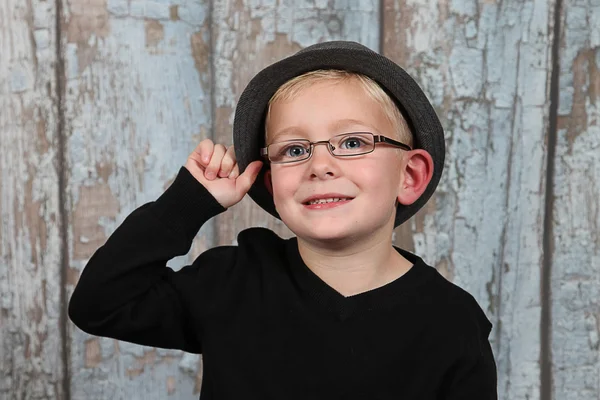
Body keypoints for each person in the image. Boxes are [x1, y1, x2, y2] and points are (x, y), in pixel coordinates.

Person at [69, 41, 497, 399]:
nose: (320, 165)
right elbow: (100, 304)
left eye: (351, 141)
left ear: (410, 175)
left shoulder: (450, 321)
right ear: (272, 183)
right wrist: (187, 203)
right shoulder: (231, 282)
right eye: (294, 150)